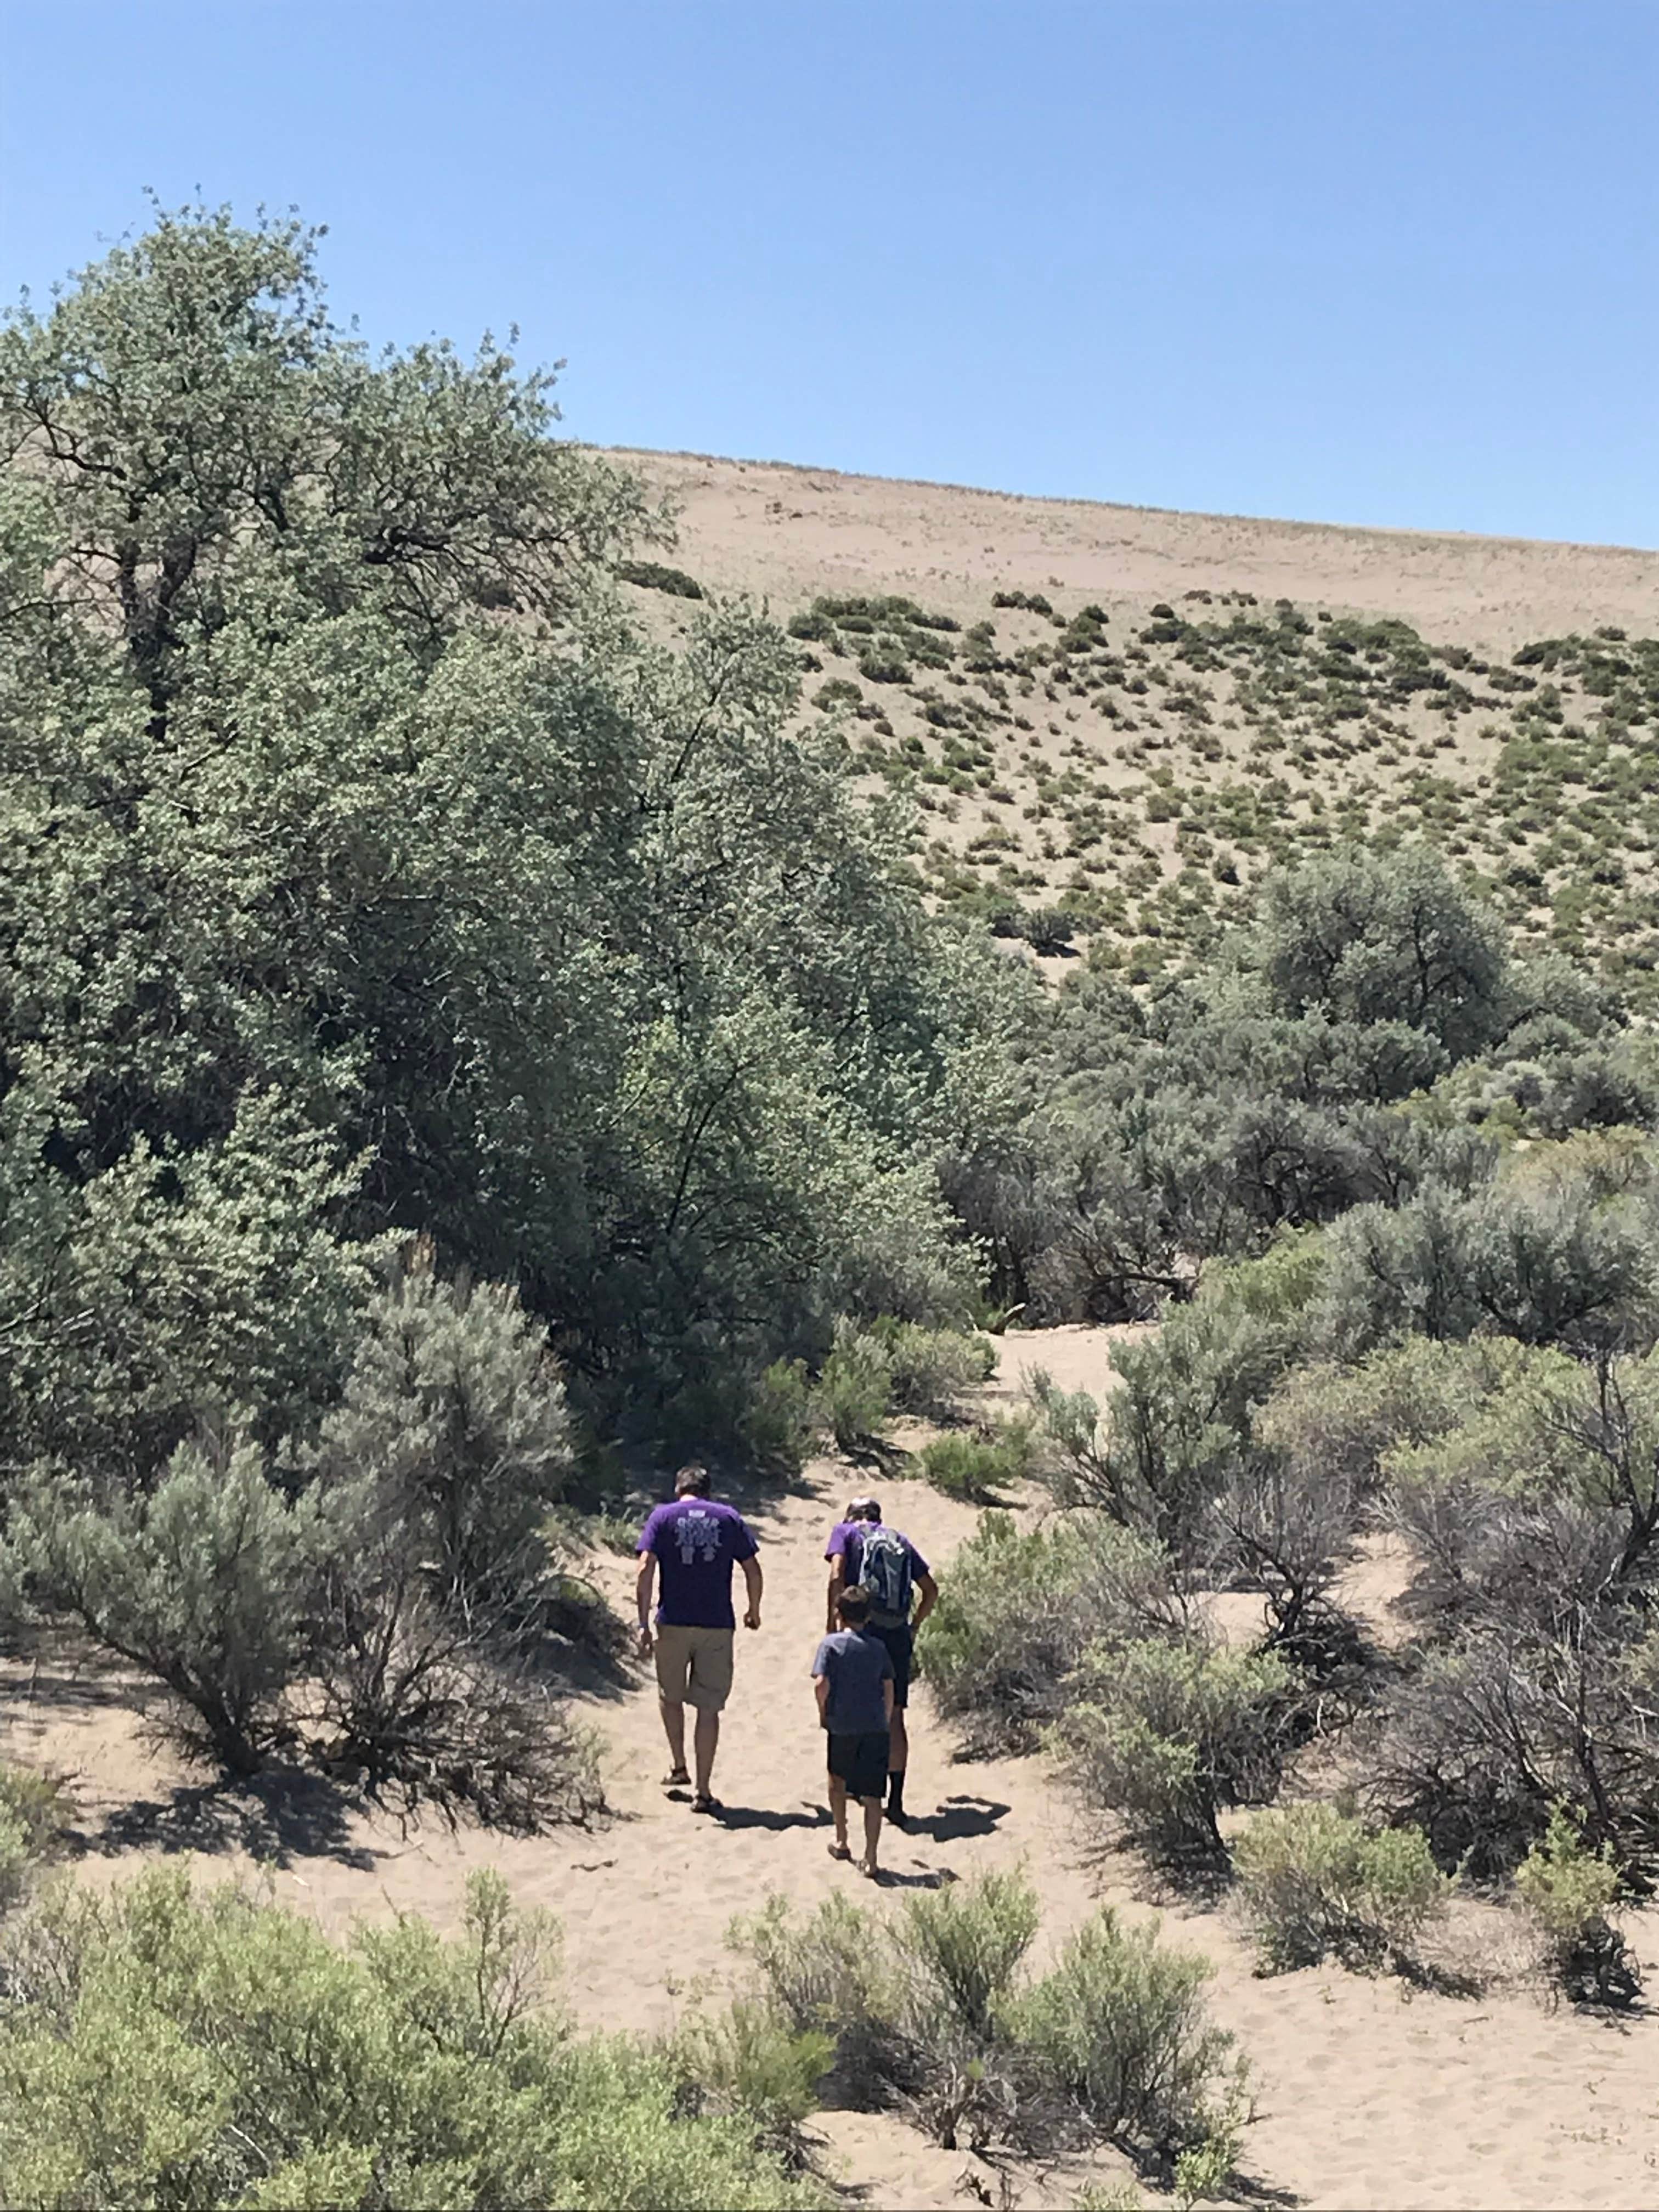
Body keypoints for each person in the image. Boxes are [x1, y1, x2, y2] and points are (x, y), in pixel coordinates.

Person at [636, 1463, 762, 1814]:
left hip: (672, 1621)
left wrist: (642, 1622)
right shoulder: (728, 1517)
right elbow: (752, 1567)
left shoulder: (662, 1517)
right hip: (717, 1624)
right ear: (708, 1491)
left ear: (679, 1489)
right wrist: (754, 1609)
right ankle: (704, 1791)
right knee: (709, 1708)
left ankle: (679, 1766)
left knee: (670, 1696)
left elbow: (645, 1567)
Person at [824, 1497, 936, 1826]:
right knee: (895, 1715)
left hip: (863, 1629)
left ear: (852, 1516)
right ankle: (896, 1800)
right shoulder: (899, 1540)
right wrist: (913, 1626)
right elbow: (930, 1589)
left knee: (854, 1706)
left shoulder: (845, 1532)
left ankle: (856, 1787)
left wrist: (834, 1621)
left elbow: (836, 1573)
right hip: (896, 1633)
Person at [811, 1582, 895, 1878]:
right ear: (868, 1616)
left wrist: (823, 1714)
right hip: (874, 1726)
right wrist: (884, 1718)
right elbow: (888, 1686)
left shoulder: (831, 1645)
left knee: (838, 1780)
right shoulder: (878, 1648)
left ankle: (842, 1838)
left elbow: (822, 1684)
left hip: (843, 1724)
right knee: (873, 1794)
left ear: (839, 1614)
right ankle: (871, 1857)